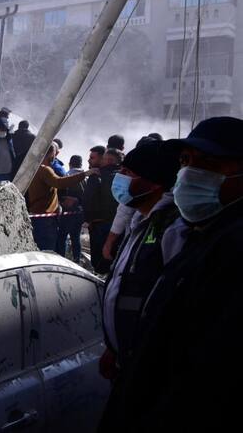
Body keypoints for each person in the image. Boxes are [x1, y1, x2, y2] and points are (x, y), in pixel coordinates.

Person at [98, 117, 243, 431]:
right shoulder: (200, 231)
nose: (190, 172)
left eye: (210, 163)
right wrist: (118, 349)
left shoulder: (215, 242)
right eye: (186, 161)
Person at [98, 141, 180, 384]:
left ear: (154, 183)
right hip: (126, 356)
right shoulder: (141, 221)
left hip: (150, 369)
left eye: (127, 174)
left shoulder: (174, 229)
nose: (119, 179)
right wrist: (113, 348)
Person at [27, 143, 92, 251]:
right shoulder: (44, 170)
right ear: (49, 154)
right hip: (46, 217)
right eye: (54, 153)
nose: (55, 156)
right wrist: (84, 174)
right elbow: (59, 182)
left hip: (38, 213)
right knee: (47, 249)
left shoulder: (34, 167)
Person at [84, 147, 123, 273]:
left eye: (104, 159)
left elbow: (88, 199)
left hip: (99, 225)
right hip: (120, 224)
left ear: (110, 160)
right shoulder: (125, 177)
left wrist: (88, 220)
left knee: (99, 263)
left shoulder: (96, 176)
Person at [56, 154, 86, 263]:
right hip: (79, 213)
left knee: (62, 237)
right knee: (75, 238)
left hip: (67, 213)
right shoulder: (86, 177)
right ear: (81, 164)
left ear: (70, 164)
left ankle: (61, 261)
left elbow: (61, 193)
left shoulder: (67, 176)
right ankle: (76, 260)